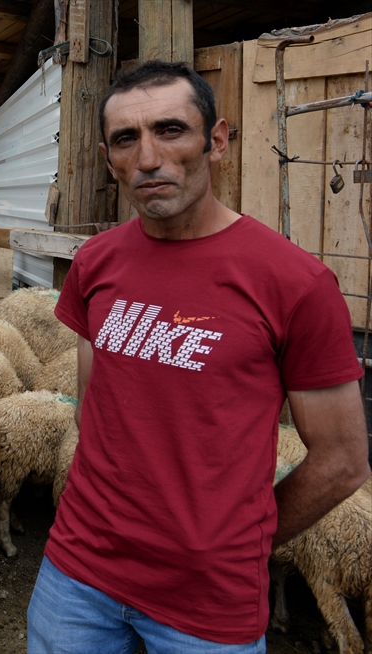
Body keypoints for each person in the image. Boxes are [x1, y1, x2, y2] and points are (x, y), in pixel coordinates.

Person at [25, 60, 372, 653]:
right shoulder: (95, 264)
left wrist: (240, 542)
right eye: (126, 140)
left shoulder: (294, 282)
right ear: (110, 161)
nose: (149, 157)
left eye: (170, 130)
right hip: (78, 577)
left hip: (207, 604)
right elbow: (91, 410)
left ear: (216, 141)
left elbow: (342, 460)